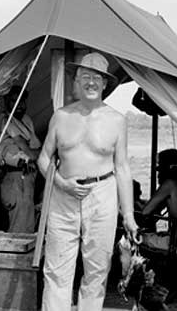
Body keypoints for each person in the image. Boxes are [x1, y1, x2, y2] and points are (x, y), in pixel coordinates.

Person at [37, 52, 139, 311]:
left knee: (97, 271)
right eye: (85, 76)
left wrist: (128, 215)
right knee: (57, 270)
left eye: (97, 78)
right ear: (76, 81)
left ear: (106, 84)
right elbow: (43, 160)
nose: (91, 82)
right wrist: (61, 183)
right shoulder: (60, 116)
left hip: (102, 195)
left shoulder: (117, 120)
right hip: (63, 197)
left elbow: (122, 167)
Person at [0, 85, 41, 233]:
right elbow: (30, 151)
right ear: (6, 102)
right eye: (14, 101)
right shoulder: (5, 119)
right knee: (19, 223)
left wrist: (34, 152)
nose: (19, 105)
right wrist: (36, 153)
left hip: (28, 176)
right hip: (15, 177)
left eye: (22, 101)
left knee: (28, 219)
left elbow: (33, 146)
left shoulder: (26, 120)